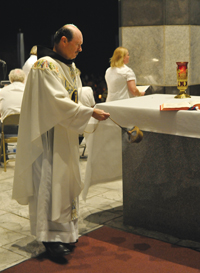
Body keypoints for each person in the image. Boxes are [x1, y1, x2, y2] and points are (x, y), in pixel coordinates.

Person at [12, 24, 110, 259]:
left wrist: (87, 105)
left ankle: (65, 233)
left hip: (65, 134)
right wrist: (89, 113)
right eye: (78, 45)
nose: (81, 49)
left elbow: (74, 95)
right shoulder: (44, 65)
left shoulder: (70, 66)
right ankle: (48, 237)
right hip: (49, 137)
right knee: (49, 184)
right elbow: (56, 102)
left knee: (64, 185)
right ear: (63, 41)